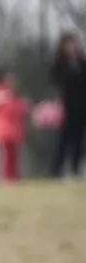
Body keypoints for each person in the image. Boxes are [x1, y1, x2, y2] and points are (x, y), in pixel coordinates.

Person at [49, 32, 86, 178]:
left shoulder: (82, 63)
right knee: (63, 139)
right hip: (66, 106)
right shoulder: (60, 64)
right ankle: (55, 170)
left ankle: (75, 168)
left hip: (82, 105)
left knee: (79, 139)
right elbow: (56, 81)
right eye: (69, 44)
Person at [0, 69, 29, 184]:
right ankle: (5, 180)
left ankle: (12, 180)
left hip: (10, 131)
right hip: (3, 131)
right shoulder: (2, 94)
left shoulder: (7, 94)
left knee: (12, 158)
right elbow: (10, 110)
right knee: (6, 159)